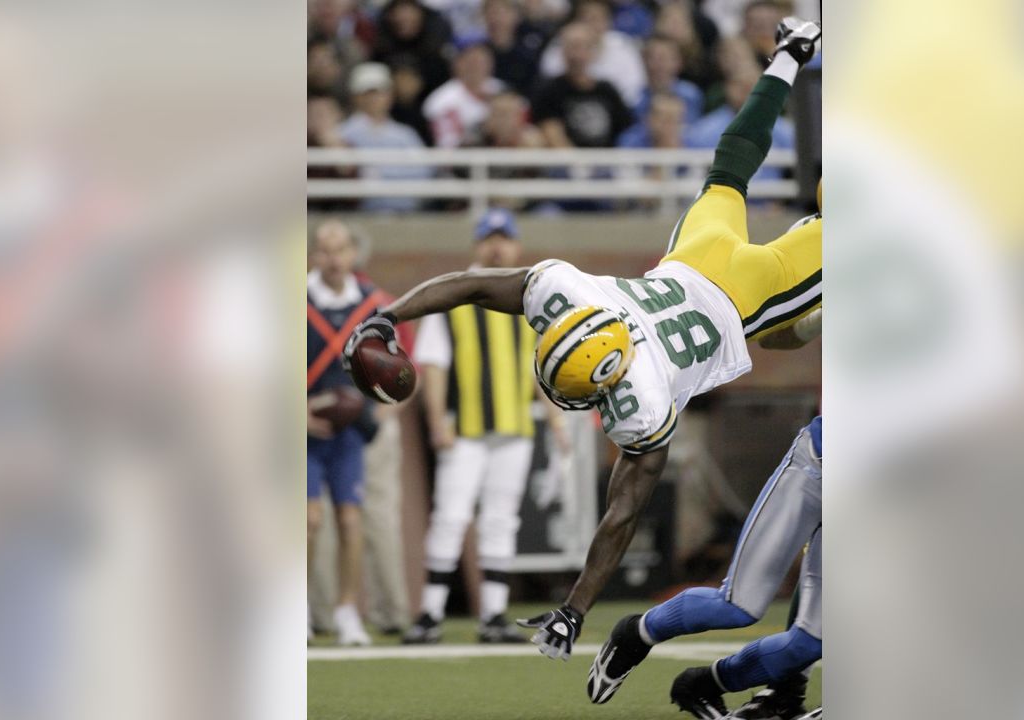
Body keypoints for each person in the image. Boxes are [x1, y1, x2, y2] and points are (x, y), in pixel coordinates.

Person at [345, 18, 823, 663]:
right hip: (694, 258)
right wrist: (387, 317)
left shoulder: (642, 396)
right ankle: (791, 55)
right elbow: (469, 283)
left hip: (748, 301)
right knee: (731, 165)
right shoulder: (575, 298)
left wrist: (575, 610)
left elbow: (620, 514)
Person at [403, 208, 567, 644]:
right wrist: (438, 420)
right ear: (477, 245)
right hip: (467, 427)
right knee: (451, 516)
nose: (497, 245)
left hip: (513, 427)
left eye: (504, 237)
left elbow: (540, 368)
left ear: (515, 245)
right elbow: (433, 363)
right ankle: (430, 616)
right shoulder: (455, 294)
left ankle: (493, 616)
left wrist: (556, 419)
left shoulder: (530, 297)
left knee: (501, 519)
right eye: (489, 238)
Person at [588, 416, 823, 719]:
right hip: (815, 468)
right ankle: (635, 634)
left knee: (808, 644)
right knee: (738, 605)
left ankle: (703, 685)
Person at [308, 219, 391, 646]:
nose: (333, 258)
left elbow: (392, 364)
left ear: (353, 254)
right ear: (313, 255)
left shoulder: (372, 304)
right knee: (307, 519)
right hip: (304, 430)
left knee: (350, 517)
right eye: (325, 250)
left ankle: (346, 610)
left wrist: (383, 396)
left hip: (349, 432)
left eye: (340, 249)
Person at [339, 63, 432, 212]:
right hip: (359, 215)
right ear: (355, 97)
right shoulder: (343, 133)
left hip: (405, 215)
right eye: (367, 93)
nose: (373, 99)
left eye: (379, 93)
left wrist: (380, 174)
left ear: (390, 96)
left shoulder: (405, 134)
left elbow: (423, 172)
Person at [531, 22, 633, 148]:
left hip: (608, 162)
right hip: (566, 164)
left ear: (593, 51)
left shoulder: (607, 90)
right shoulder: (549, 90)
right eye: (571, 47)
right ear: (563, 51)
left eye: (581, 47)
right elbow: (553, 135)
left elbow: (626, 130)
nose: (576, 55)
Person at [537, 0, 646, 107]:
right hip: (566, 106)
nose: (591, 24)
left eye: (596, 18)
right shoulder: (562, 42)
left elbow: (633, 88)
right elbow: (549, 79)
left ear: (608, 21)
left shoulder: (623, 46)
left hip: (614, 109)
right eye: (585, 18)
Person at [422, 40, 504, 148]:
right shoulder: (443, 100)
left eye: (482, 61)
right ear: (457, 64)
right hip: (466, 160)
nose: (477, 67)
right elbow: (448, 147)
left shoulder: (502, 90)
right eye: (472, 62)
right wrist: (484, 130)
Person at [633, 34, 704, 124]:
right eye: (650, 57)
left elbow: (692, 130)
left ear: (678, 62)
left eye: (663, 58)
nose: (656, 64)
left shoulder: (690, 95)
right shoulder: (635, 96)